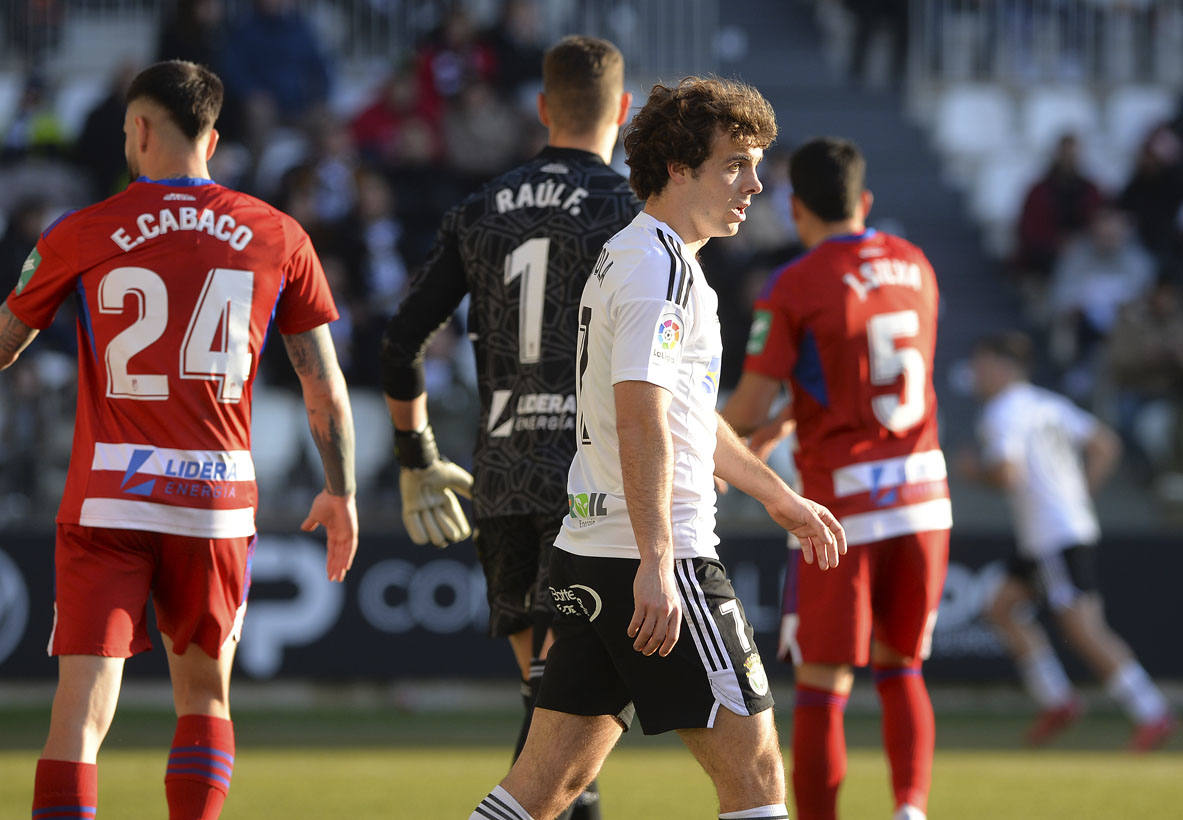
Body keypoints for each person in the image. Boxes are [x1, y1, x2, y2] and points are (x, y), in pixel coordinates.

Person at [468, 76, 847, 820]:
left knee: (546, 786)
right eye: (735, 162)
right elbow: (638, 414)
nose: (755, 182)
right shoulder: (658, 270)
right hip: (652, 556)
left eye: (756, 162)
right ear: (678, 167)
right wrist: (655, 559)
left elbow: (684, 414)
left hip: (591, 548)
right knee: (759, 780)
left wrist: (778, 495)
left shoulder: (648, 256)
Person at [2, 60, 358, 820]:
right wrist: (342, 491)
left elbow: (4, 346)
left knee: (80, 710)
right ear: (214, 136)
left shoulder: (80, 230)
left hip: (109, 498)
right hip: (215, 501)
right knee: (204, 696)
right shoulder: (278, 234)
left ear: (137, 130)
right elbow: (323, 388)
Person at [380, 35, 638, 820]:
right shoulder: (628, 211)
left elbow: (400, 340)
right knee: (577, 714)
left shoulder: (482, 205)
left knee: (549, 704)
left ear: (540, 108)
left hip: (502, 477)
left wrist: (415, 453)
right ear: (622, 111)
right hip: (588, 482)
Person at [723, 137, 952, 820]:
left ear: (794, 210)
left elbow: (747, 408)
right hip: (922, 496)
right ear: (866, 202)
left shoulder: (794, 282)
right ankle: (909, 809)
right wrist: (794, 414)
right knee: (902, 667)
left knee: (823, 685)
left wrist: (698, 426)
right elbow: (866, 375)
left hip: (840, 509)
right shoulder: (916, 264)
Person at [960, 331, 1176, 751]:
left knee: (1083, 627)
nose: (976, 375)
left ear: (1003, 367)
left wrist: (974, 473)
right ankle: (1058, 700)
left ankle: (1151, 710)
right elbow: (1105, 444)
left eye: (981, 365)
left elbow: (1007, 473)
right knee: (998, 605)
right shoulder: (1047, 402)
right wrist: (1081, 494)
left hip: (1051, 535)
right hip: (1057, 530)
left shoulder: (1002, 412)